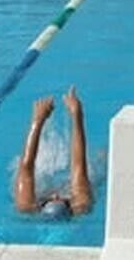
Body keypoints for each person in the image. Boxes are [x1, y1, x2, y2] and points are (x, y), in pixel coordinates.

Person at [14, 86, 93, 218]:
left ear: (40, 207)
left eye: (49, 200)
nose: (55, 195)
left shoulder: (26, 206)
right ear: (70, 207)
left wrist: (37, 121)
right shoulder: (81, 204)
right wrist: (77, 115)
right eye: (62, 200)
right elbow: (79, 165)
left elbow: (26, 167)